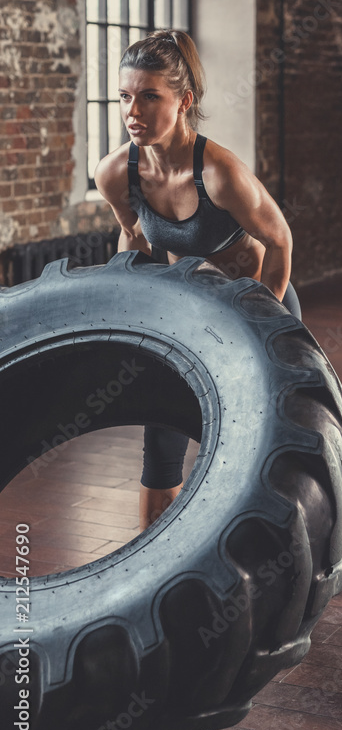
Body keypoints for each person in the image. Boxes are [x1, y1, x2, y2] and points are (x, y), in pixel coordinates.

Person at [94, 28, 301, 531]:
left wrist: (262, 319)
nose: (132, 111)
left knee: (267, 437)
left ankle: (279, 550)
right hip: (186, 307)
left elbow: (279, 241)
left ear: (184, 100)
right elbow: (134, 237)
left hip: (253, 302)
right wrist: (135, 307)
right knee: (162, 438)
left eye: (149, 96)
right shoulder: (116, 172)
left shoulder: (220, 173)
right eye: (125, 96)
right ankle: (149, 568)